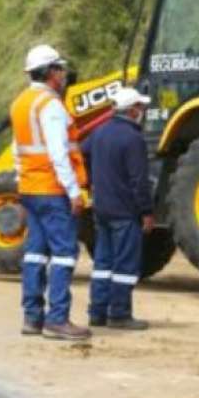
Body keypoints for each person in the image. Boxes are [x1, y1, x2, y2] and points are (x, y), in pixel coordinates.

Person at [11, 44, 91, 342]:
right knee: (64, 254)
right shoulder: (51, 106)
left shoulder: (21, 103)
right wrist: (73, 192)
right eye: (60, 69)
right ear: (51, 73)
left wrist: (22, 184)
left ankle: (32, 317)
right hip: (53, 189)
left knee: (35, 252)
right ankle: (57, 319)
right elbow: (59, 154)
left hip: (31, 188)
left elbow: (18, 151)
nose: (64, 74)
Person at [84, 86, 155, 330]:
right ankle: (120, 313)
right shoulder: (133, 139)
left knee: (102, 263)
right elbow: (139, 180)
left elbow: (81, 154)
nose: (142, 111)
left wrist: (92, 181)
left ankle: (97, 312)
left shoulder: (99, 133)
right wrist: (146, 211)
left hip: (102, 209)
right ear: (133, 110)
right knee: (125, 265)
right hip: (125, 212)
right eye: (140, 107)